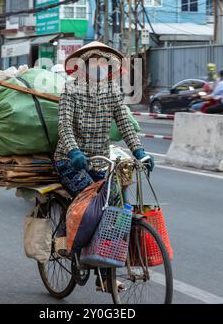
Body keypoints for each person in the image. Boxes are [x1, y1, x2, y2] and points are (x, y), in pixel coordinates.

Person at [54, 41, 154, 291]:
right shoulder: (71, 90)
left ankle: (103, 273)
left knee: (117, 208)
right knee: (93, 205)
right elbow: (64, 125)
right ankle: (64, 242)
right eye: (94, 63)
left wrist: (139, 151)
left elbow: (125, 123)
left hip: (101, 161)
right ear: (84, 66)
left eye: (103, 63)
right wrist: (73, 150)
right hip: (71, 161)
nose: (99, 67)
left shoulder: (112, 91)